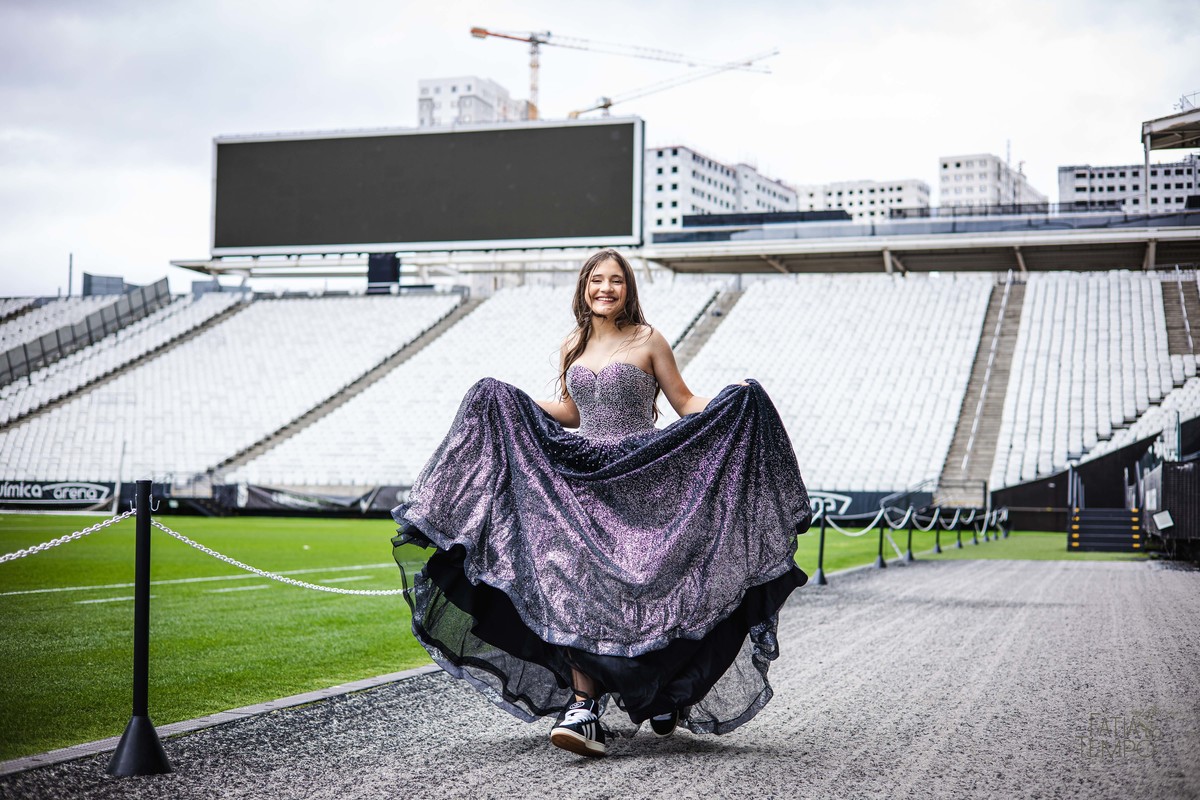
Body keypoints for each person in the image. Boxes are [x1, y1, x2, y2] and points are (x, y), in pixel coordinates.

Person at [392, 248, 810, 758]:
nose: (605, 288)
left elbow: (683, 402)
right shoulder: (575, 343)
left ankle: (661, 687)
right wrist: (513, 400)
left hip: (645, 475)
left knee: (654, 585)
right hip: (585, 477)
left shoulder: (648, 339)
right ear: (584, 288)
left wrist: (733, 395)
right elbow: (571, 411)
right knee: (577, 585)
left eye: (615, 281)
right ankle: (583, 706)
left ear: (627, 289)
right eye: (596, 280)